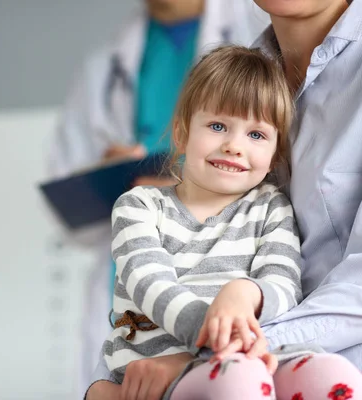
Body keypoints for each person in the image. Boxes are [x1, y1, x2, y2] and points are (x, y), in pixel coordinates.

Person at [87, 0, 362, 398]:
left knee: (322, 377)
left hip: (291, 359)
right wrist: (107, 382)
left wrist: (217, 342)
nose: (234, 146)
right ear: (182, 133)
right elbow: (142, 293)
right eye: (218, 126)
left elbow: (294, 282)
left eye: (256, 136)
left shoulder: (270, 210)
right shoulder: (244, 73)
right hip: (191, 367)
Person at [47, 0, 269, 393]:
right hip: (130, 298)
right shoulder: (105, 66)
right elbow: (72, 222)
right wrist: (105, 179)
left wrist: (186, 188)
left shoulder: (257, 28)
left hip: (224, 282)